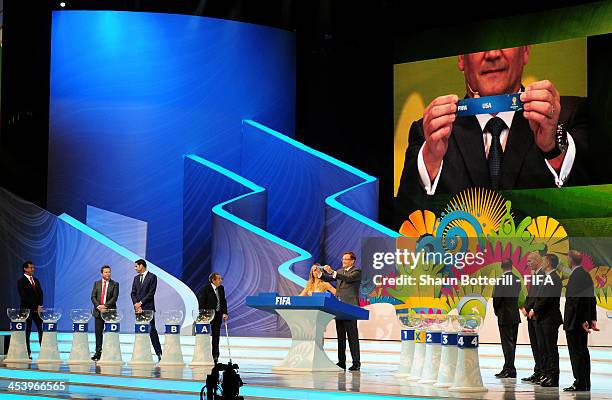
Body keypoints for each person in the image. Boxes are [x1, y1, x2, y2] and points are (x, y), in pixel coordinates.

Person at [396, 46, 588, 212]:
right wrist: (430, 162)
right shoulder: (429, 133)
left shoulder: (570, 114)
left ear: (526, 51)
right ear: (462, 58)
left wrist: (554, 148)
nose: (493, 54)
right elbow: (402, 228)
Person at [563, 250, 598, 392]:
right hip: (580, 319)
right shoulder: (585, 275)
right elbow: (591, 298)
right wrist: (592, 318)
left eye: (567, 259)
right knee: (582, 351)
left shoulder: (577, 276)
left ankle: (579, 382)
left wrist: (584, 319)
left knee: (577, 352)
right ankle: (584, 382)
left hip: (575, 321)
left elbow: (578, 300)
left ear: (571, 260)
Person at [322, 251, 362, 371]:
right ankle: (341, 362)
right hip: (339, 307)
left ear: (352, 261)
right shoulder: (339, 271)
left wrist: (332, 272)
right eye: (343, 259)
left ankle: (356, 362)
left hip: (350, 308)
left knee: (352, 336)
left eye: (346, 259)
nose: (343, 261)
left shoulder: (356, 272)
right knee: (340, 336)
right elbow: (329, 278)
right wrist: (320, 275)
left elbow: (348, 279)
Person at [530, 254, 563, 388]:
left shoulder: (553, 278)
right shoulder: (548, 277)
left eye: (544, 260)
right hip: (544, 318)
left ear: (549, 262)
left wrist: (535, 310)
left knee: (551, 349)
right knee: (545, 349)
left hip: (550, 318)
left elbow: (546, 299)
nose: (542, 263)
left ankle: (553, 377)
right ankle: (548, 375)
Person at [492, 258, 521, 378]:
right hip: (514, 315)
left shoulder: (500, 281)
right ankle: (509, 367)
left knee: (507, 344)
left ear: (501, 267)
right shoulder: (517, 280)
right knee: (512, 343)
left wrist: (497, 311)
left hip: (504, 316)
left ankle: (509, 369)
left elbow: (496, 299)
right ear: (512, 266)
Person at [521, 251, 545, 384]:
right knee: (535, 345)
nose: (528, 263)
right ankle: (538, 371)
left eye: (530, 261)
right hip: (531, 315)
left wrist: (533, 309)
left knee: (541, 345)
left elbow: (539, 296)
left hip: (538, 315)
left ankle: (542, 372)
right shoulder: (534, 275)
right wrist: (525, 307)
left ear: (537, 260)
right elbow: (531, 295)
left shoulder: (542, 275)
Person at [130, 259, 162, 361]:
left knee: (152, 330)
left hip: (148, 309)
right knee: (140, 331)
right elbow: (133, 293)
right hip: (138, 309)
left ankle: (159, 353)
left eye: (136, 266)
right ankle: (140, 354)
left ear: (141, 266)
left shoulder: (152, 277)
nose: (135, 268)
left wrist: (140, 303)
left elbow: (151, 293)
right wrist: (136, 304)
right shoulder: (136, 278)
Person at [198, 272, 228, 364]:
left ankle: (215, 355)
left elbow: (223, 301)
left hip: (218, 315)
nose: (221, 280)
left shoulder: (221, 288)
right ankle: (204, 354)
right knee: (205, 336)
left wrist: (225, 312)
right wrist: (203, 315)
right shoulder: (205, 289)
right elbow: (201, 302)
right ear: (213, 280)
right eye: (219, 279)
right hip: (207, 315)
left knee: (216, 336)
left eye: (220, 278)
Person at [90, 265, 119, 361]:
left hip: (109, 312)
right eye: (106, 272)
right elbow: (93, 297)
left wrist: (105, 306)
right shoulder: (96, 283)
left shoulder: (115, 284)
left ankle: (110, 352)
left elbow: (114, 298)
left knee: (110, 333)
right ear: (102, 273)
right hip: (98, 312)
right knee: (98, 333)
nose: (108, 274)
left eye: (109, 272)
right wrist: (99, 306)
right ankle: (98, 353)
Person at [17, 261, 44, 358]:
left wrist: (39, 306)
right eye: (31, 268)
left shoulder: (36, 280)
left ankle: (43, 352)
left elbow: (40, 293)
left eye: (33, 267)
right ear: (25, 269)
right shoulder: (21, 281)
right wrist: (35, 306)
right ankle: (27, 353)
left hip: (37, 310)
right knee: (27, 331)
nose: (33, 269)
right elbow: (24, 297)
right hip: (26, 310)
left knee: (41, 330)